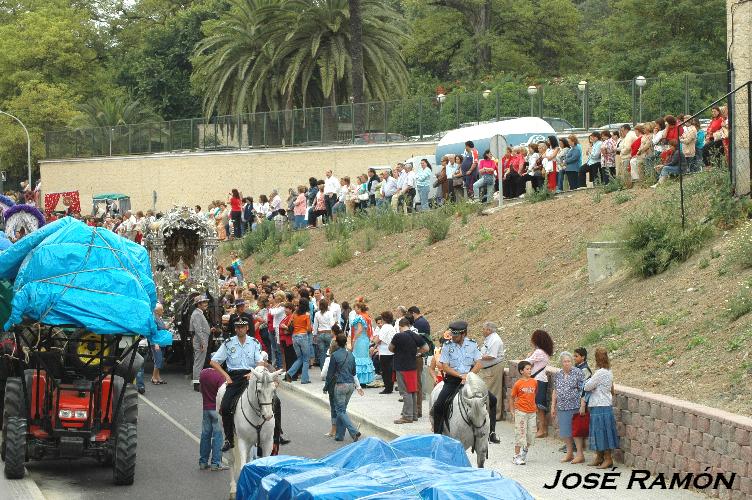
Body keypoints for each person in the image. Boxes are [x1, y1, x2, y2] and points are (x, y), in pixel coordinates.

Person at [209, 318, 264, 452]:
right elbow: (214, 362)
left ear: (247, 328)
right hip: (235, 377)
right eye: (238, 327)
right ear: (235, 329)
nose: (240, 329)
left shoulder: (254, 342)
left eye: (243, 327)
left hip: (251, 375)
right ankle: (229, 438)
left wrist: (254, 373)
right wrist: (226, 376)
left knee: (272, 400)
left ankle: (276, 434)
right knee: (226, 407)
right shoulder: (228, 343)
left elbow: (260, 362)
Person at [431, 320, 481, 435]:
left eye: (456, 335)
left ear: (464, 334)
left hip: (470, 379)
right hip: (453, 380)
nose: (452, 336)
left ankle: (490, 432)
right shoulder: (447, 346)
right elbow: (445, 366)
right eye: (452, 334)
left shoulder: (472, 344)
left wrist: (468, 376)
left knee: (491, 400)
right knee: (438, 405)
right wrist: (460, 375)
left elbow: (479, 363)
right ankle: (438, 434)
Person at [325, 333, 364, 442]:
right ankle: (339, 435)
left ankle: (354, 431)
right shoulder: (351, 355)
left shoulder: (335, 355)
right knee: (342, 410)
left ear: (337, 343)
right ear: (346, 342)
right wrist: (358, 386)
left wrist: (326, 387)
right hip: (350, 386)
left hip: (340, 385)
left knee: (340, 410)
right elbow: (354, 372)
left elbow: (330, 374)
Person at [584, 347, 619, 469]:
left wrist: (589, 384)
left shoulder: (600, 373)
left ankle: (607, 458)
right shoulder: (609, 371)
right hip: (605, 404)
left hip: (600, 405)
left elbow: (587, 386)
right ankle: (599, 457)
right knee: (602, 431)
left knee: (601, 432)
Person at [389, 317, 428, 424]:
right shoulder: (415, 336)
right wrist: (415, 352)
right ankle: (414, 414)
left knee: (405, 392)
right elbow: (426, 348)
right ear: (409, 325)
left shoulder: (398, 336)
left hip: (401, 366)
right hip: (412, 366)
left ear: (400, 326)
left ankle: (407, 416)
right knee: (412, 390)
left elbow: (390, 348)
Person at [551, 352, 586, 464]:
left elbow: (583, 390)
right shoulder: (558, 374)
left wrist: (582, 405)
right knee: (565, 431)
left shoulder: (578, 373)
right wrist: (553, 406)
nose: (567, 363)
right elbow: (555, 391)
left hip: (574, 406)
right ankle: (569, 453)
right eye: (565, 361)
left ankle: (580, 454)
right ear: (561, 363)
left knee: (576, 431)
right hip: (562, 406)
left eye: (569, 361)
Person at [198, 367, 230, 471]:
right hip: (216, 409)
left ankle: (203, 462)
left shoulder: (203, 373)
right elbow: (223, 393)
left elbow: (200, 389)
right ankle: (216, 463)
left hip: (206, 408)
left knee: (205, 435)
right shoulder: (221, 376)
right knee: (218, 437)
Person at [525, 329, 554, 438]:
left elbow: (526, 362)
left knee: (539, 406)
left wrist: (529, 354)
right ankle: (541, 428)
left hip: (538, 380)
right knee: (538, 406)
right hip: (540, 379)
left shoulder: (539, 352)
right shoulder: (543, 352)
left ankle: (542, 429)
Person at [510, 360, 537, 465]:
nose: (529, 370)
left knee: (531, 435)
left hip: (532, 412)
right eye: (527, 369)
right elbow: (512, 397)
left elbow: (534, 394)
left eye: (530, 369)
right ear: (521, 371)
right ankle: (516, 456)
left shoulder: (534, 382)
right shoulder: (518, 384)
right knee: (520, 434)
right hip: (521, 412)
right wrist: (512, 411)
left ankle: (524, 453)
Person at [479, 321, 505, 424]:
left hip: (493, 368)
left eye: (484, 329)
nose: (482, 331)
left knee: (493, 391)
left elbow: (491, 356)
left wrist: (477, 357)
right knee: (488, 390)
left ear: (489, 330)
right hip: (488, 368)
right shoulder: (490, 339)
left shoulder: (495, 340)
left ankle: (495, 415)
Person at [407, 306, 431, 418]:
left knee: (416, 385)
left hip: (416, 357)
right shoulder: (422, 322)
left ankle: (416, 410)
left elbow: (422, 344)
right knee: (416, 384)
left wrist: (417, 352)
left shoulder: (418, 324)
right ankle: (415, 409)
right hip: (418, 356)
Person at [285, 299, 312, 384]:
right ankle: (304, 379)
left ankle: (289, 373)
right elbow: (309, 329)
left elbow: (289, 324)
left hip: (294, 337)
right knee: (306, 359)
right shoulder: (307, 315)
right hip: (303, 336)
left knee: (300, 358)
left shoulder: (294, 314)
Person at [190, 295, 213, 392]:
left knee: (200, 361)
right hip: (200, 341)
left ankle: (197, 382)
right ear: (198, 304)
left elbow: (201, 328)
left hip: (201, 339)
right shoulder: (197, 314)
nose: (206, 304)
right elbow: (198, 330)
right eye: (204, 302)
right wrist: (203, 342)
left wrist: (209, 330)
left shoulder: (199, 313)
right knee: (198, 362)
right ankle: (196, 383)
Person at [350, 301, 375, 386]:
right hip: (365, 339)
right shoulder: (367, 316)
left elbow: (359, 329)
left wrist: (354, 339)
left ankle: (359, 380)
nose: (355, 310)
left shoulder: (360, 317)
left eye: (355, 308)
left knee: (358, 358)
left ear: (359, 309)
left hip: (360, 339)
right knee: (364, 357)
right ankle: (364, 379)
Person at [374, 311, 396, 394]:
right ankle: (390, 387)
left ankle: (387, 388)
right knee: (390, 371)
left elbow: (377, 340)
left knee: (385, 371)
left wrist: (375, 339)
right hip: (391, 351)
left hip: (385, 352)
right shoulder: (391, 327)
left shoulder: (384, 327)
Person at [313, 298, 336, 370]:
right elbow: (332, 324)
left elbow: (315, 325)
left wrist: (314, 334)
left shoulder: (317, 314)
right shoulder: (329, 313)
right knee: (330, 351)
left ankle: (323, 371)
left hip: (320, 334)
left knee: (322, 353)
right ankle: (330, 370)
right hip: (329, 333)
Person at [151, 304, 167, 385]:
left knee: (159, 360)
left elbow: (164, 328)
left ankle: (158, 377)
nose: (163, 311)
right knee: (158, 360)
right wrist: (156, 343)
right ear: (156, 311)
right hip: (156, 343)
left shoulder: (159, 319)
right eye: (161, 309)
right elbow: (153, 332)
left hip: (162, 342)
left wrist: (171, 321)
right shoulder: (154, 319)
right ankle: (154, 377)